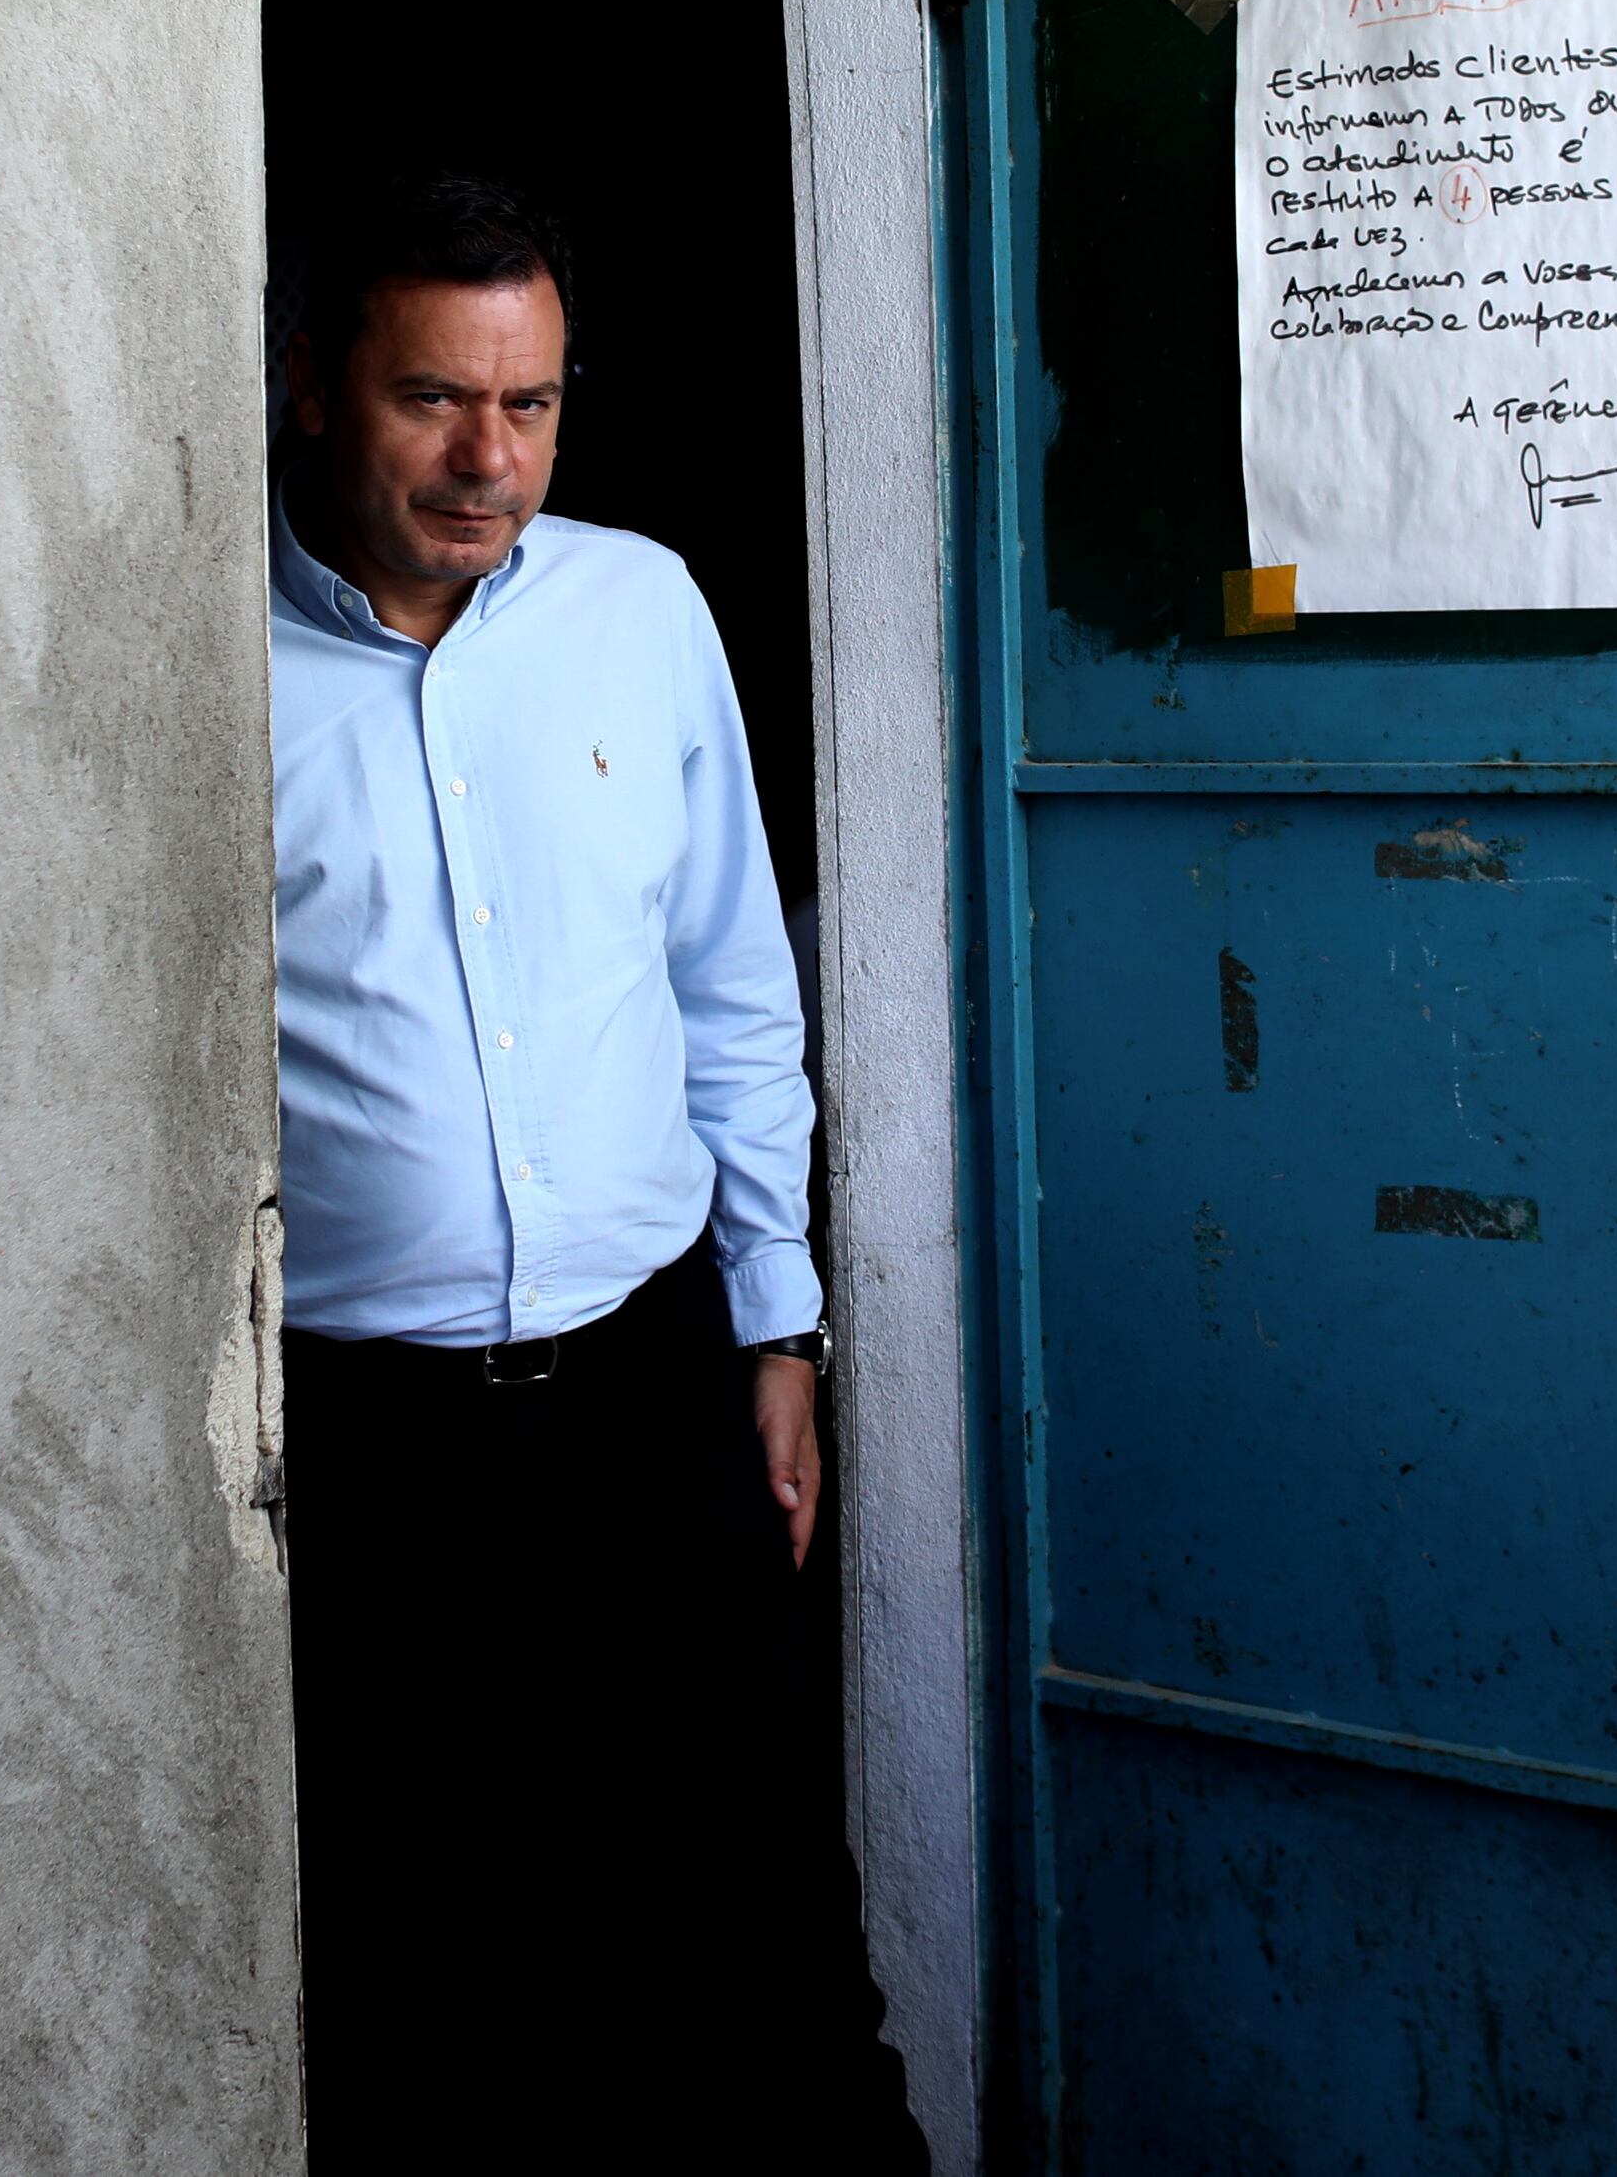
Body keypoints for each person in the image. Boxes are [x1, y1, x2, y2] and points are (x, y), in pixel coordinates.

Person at [264, 172, 924, 2177]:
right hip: (364, 1445)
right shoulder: (200, 664)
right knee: (435, 1972)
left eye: (531, 403)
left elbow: (731, 983)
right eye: (433, 398)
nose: (490, 459)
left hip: (652, 1398)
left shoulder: (641, 607)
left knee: (766, 1935)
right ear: (313, 385)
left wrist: (780, 1324)